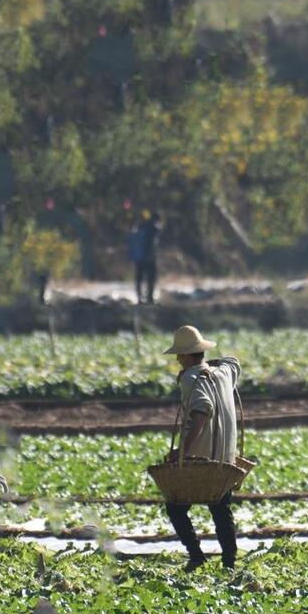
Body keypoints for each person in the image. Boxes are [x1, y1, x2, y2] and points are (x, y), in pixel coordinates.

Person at [162, 325, 242, 572]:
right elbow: (233, 362)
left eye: (180, 354)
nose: (177, 359)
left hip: (201, 458)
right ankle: (229, 564)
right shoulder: (223, 373)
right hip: (225, 457)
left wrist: (182, 451)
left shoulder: (190, 378)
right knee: (220, 507)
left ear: (187, 355)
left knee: (175, 507)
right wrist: (210, 365)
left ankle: (196, 556)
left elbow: (201, 411)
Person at [129, 210, 161, 304]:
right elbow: (153, 244)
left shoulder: (140, 227)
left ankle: (139, 299)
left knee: (139, 278)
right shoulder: (154, 229)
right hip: (150, 258)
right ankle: (149, 298)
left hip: (139, 258)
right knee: (151, 278)